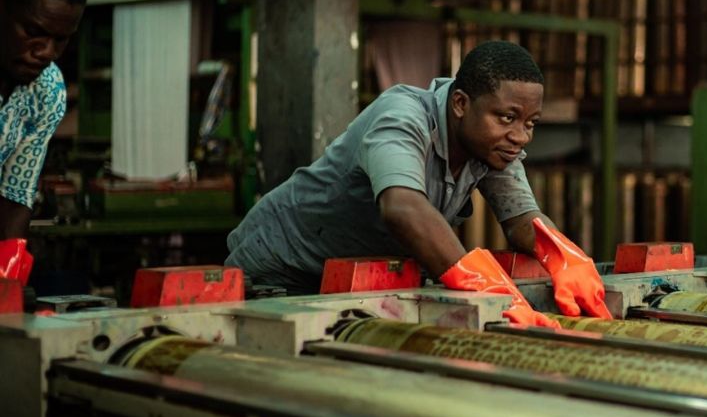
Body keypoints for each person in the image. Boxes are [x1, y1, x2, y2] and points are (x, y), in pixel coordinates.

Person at [226, 41, 611, 327]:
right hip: (281, 271)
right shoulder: (403, 117)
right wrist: (488, 288)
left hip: (354, 280)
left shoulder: (493, 146)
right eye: (507, 118)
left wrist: (565, 258)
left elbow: (522, 219)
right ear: (460, 104)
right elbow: (402, 208)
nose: (521, 136)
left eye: (530, 123)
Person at [0, 0, 86, 240]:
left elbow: (16, 196)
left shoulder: (47, 90)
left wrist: (10, 267)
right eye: (33, 31)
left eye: (61, 39)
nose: (47, 52)